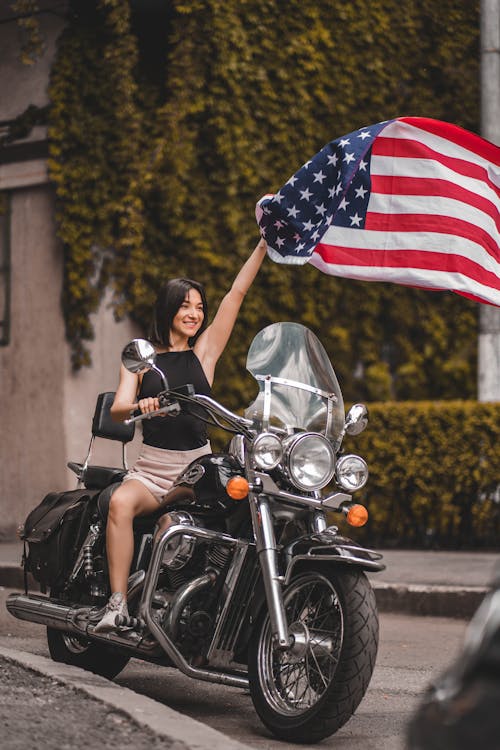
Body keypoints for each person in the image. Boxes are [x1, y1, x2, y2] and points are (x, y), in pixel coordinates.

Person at [94, 237, 267, 631]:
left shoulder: (203, 354)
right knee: (120, 504)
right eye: (186, 305)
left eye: (199, 307)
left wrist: (261, 246)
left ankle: (199, 608)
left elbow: (235, 296)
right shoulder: (141, 357)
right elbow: (120, 405)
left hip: (194, 470)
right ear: (169, 308)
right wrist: (142, 405)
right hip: (151, 470)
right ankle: (117, 604)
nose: (194, 313)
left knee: (182, 526)